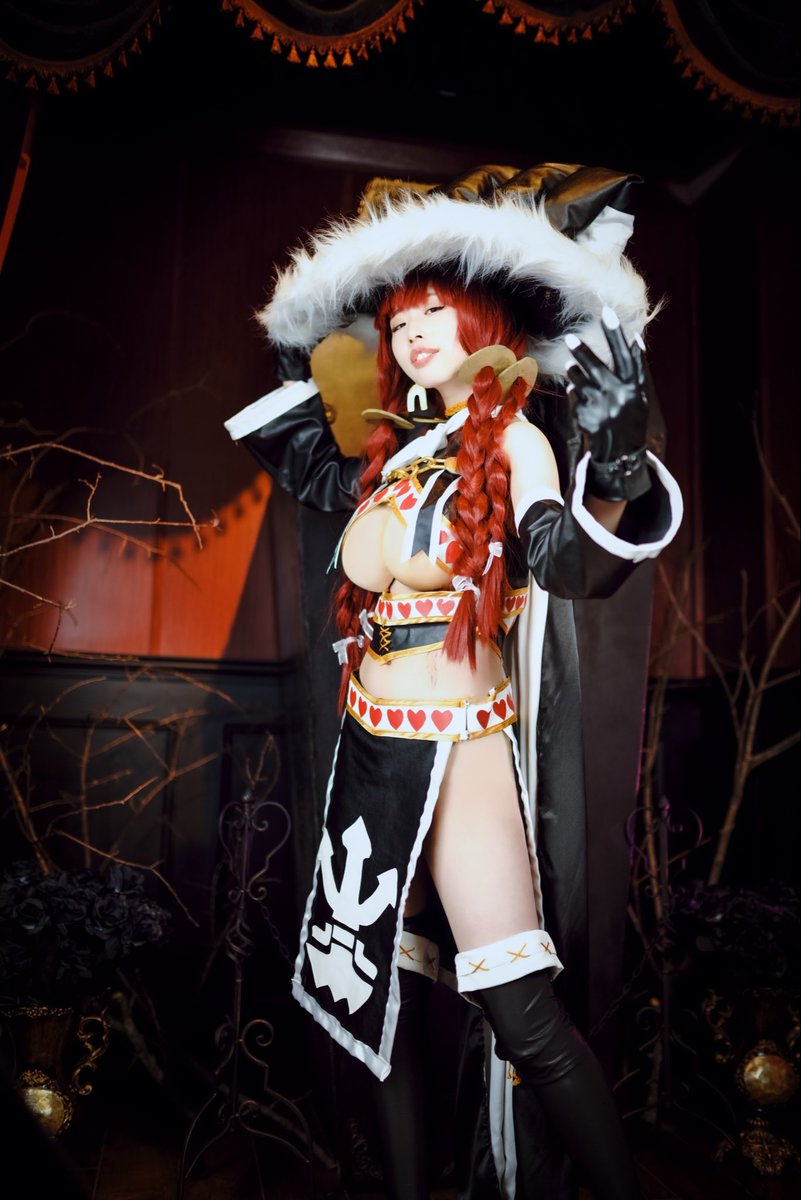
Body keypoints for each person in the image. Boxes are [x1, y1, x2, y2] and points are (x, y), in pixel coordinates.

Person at [224, 164, 683, 1199]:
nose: (413, 333)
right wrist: (304, 337)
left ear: (485, 319)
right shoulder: (391, 457)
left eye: (437, 309)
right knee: (379, 1008)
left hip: (462, 751)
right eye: (397, 320)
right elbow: (301, 450)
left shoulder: (513, 438)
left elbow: (564, 560)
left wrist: (617, 471)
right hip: (371, 751)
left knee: (521, 1014)